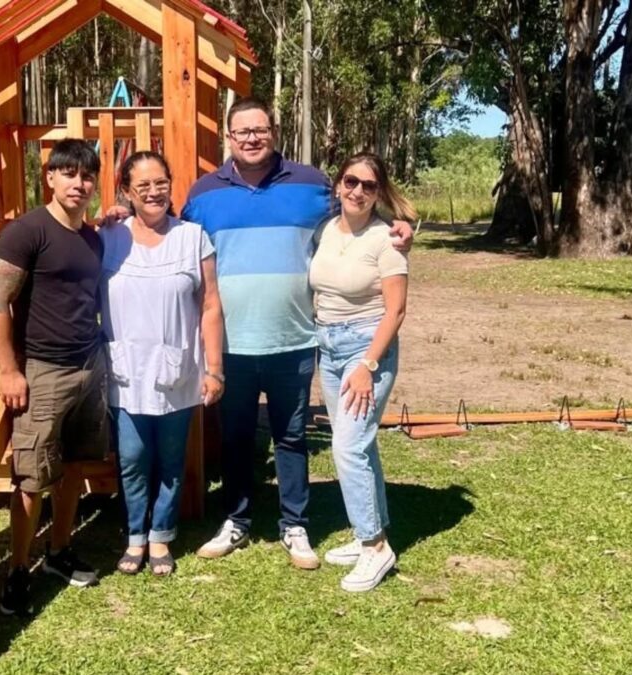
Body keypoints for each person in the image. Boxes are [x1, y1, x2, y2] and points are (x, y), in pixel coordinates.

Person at [181, 97, 414, 569]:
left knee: (290, 436)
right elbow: (173, 239)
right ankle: (237, 520)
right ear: (229, 137)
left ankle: (295, 526)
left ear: (274, 132)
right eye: (242, 131)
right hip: (231, 342)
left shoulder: (311, 185)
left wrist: (404, 227)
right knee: (236, 436)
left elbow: (360, 209)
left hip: (297, 339)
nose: (252, 138)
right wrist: (118, 218)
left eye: (260, 130)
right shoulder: (203, 194)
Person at [0, 139, 109, 615]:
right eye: (69, 173)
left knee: (74, 466)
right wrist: (10, 370)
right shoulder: (25, 232)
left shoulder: (93, 237)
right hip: (42, 371)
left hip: (89, 367)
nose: (79, 183)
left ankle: (58, 553)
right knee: (31, 479)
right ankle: (17, 570)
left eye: (87, 175)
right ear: (50, 178)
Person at [100, 151, 225, 576]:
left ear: (171, 186)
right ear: (127, 192)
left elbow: (210, 305)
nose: (153, 192)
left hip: (178, 370)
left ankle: (160, 537)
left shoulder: (193, 237)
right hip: (125, 371)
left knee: (172, 460)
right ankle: (134, 535)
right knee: (133, 456)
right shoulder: (108, 238)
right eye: (143, 186)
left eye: (161, 183)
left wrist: (214, 367)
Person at [310, 153, 411, 592]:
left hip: (366, 349)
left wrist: (368, 366)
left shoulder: (386, 240)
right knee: (359, 445)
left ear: (378, 193)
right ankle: (366, 528)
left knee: (348, 446)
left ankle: (375, 547)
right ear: (338, 184)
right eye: (351, 181)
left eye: (369, 186)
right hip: (327, 345)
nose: (358, 191)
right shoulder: (326, 230)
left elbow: (396, 310)